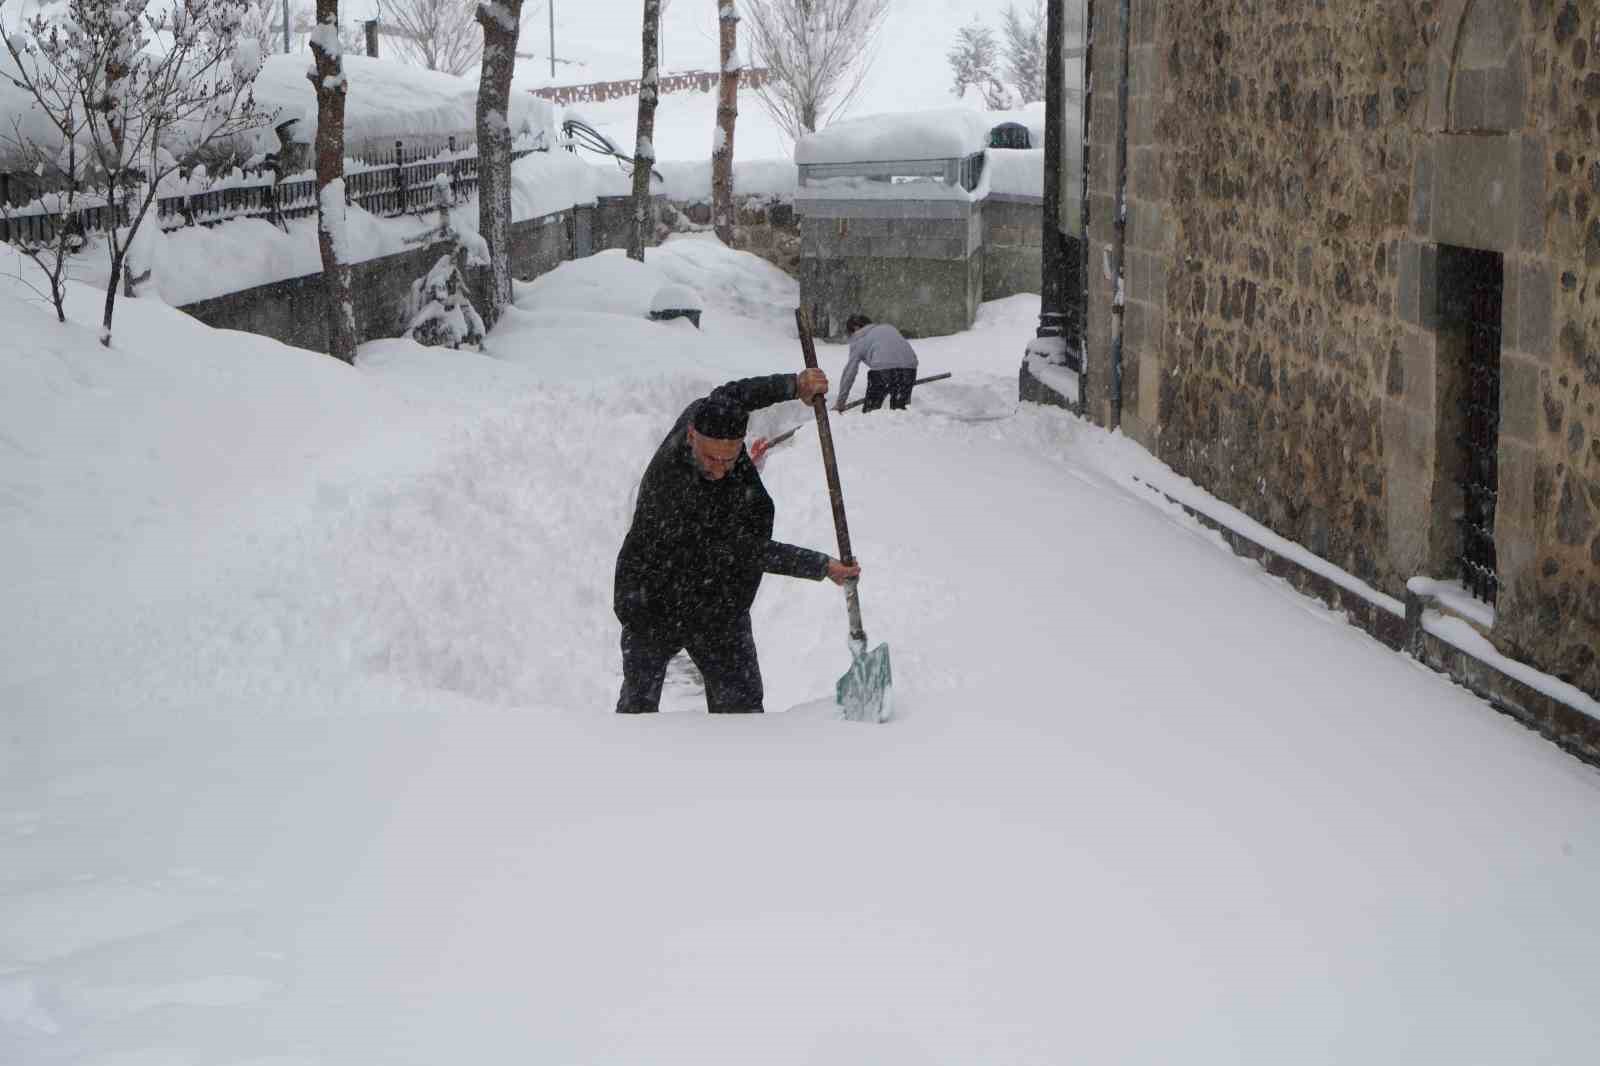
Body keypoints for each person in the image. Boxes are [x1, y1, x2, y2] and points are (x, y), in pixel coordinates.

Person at [613, 370, 861, 714]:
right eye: (711, 459)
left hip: (716, 597)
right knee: (638, 705)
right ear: (691, 436)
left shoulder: (706, 412)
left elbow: (735, 393)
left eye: (729, 459)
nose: (720, 470)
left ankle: (742, 765)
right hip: (653, 594)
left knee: (741, 704)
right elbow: (744, 549)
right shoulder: (669, 488)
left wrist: (794, 385)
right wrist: (820, 566)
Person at [835, 314, 919, 413]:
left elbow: (849, 373)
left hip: (883, 371)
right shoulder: (888, 328)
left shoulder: (858, 339)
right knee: (899, 411)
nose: (849, 336)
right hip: (910, 369)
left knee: (871, 412)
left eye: (849, 332)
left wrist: (840, 402)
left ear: (855, 328)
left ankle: (871, 411)